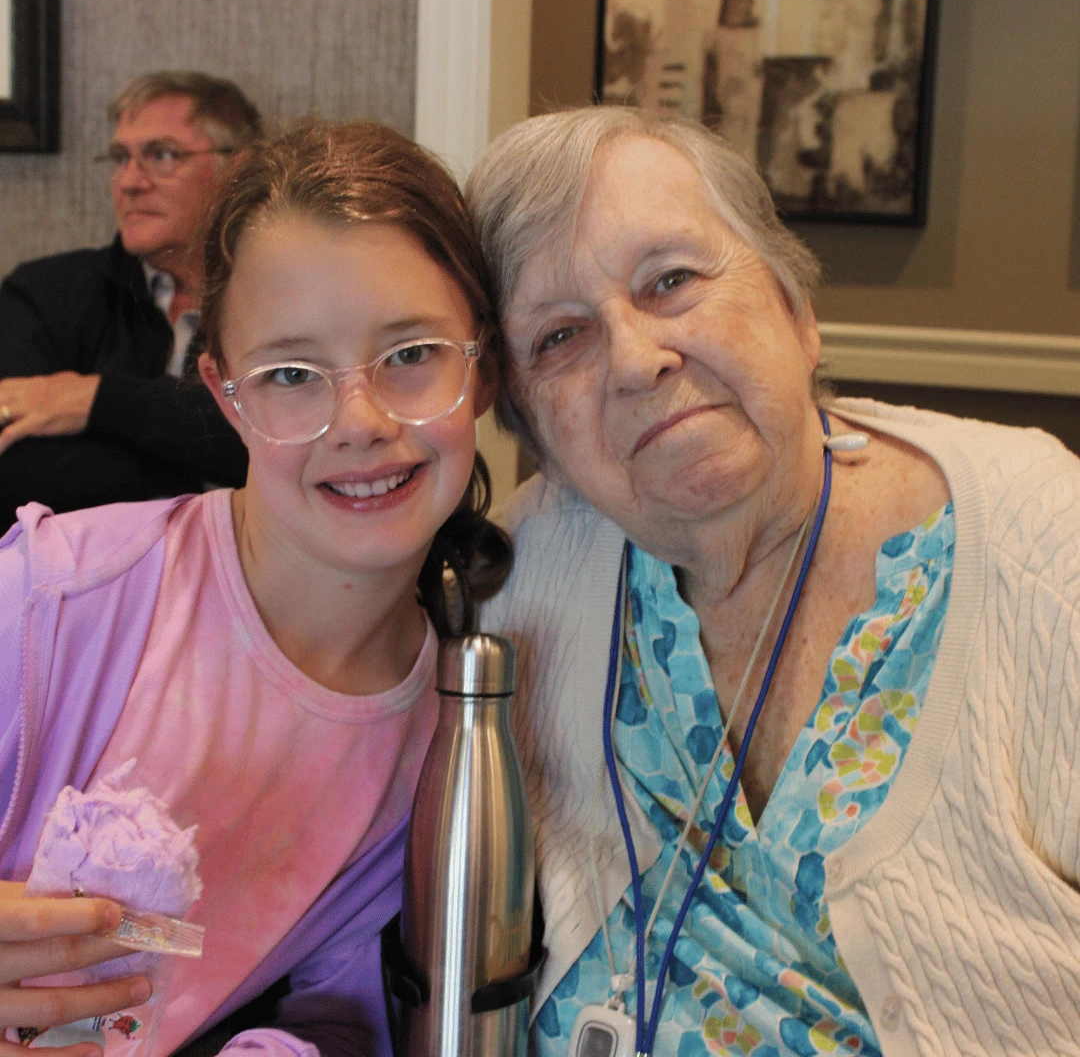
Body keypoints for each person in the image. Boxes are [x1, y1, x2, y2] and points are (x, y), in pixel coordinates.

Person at [468, 107, 1080, 1057]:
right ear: (534, 435)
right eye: (559, 338)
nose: (635, 360)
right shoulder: (518, 583)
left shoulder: (1040, 544)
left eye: (671, 281)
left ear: (798, 313)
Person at [0, 121, 510, 1057]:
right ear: (223, 394)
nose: (360, 421)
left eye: (411, 355)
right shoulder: (51, 601)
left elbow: (333, 1015)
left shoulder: (442, 745)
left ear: (483, 366)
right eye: (290, 375)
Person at [0, 71, 262, 530]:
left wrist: (99, 401)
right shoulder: (44, 292)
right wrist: (204, 468)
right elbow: (17, 472)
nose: (129, 182)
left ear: (238, 169)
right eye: (121, 157)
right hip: (77, 574)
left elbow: (296, 441)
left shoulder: (283, 301)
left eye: (162, 155)